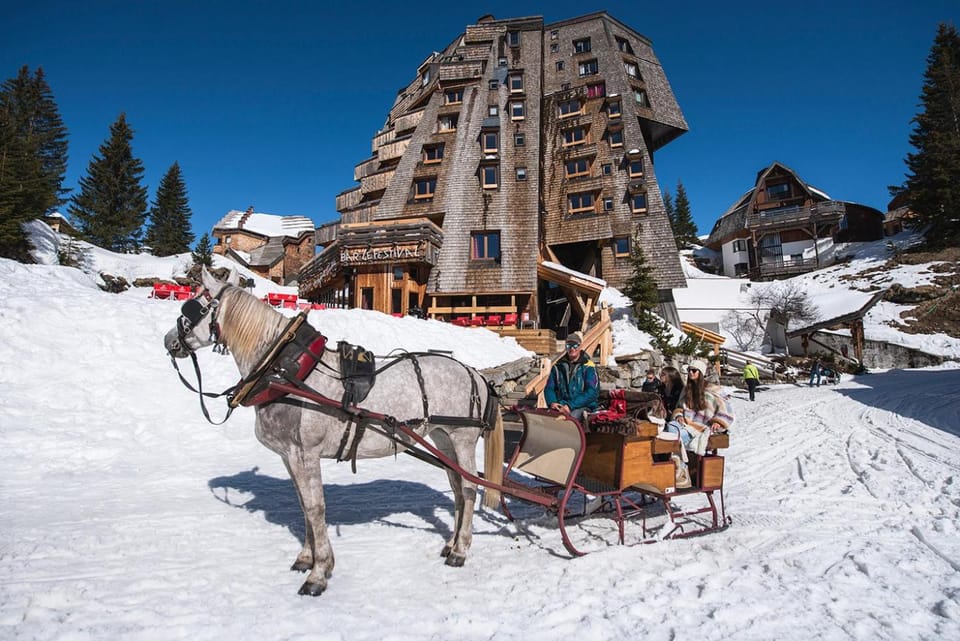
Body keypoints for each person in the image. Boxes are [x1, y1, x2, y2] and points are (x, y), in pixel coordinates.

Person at [663, 359, 734, 488]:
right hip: (686, 423)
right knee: (669, 429)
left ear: (700, 373)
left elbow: (726, 410)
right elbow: (679, 407)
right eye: (689, 370)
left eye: (694, 370)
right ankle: (679, 468)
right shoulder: (686, 390)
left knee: (674, 436)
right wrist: (678, 415)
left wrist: (718, 422)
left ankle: (681, 471)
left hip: (702, 426)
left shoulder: (713, 390)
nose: (691, 373)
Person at [544, 331, 599, 422]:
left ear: (580, 346)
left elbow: (592, 392)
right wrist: (552, 402)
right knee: (546, 417)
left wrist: (570, 406)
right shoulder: (558, 367)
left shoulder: (589, 367)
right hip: (562, 405)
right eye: (569, 346)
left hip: (583, 406)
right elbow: (549, 388)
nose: (572, 349)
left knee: (572, 418)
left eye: (575, 345)